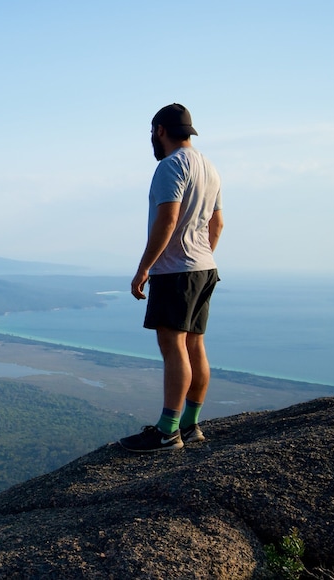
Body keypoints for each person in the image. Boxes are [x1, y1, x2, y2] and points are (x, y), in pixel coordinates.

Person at [119, 103, 224, 453]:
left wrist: (144, 267)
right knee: (195, 343)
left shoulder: (170, 166)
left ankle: (168, 431)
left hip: (176, 269)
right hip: (204, 267)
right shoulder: (210, 168)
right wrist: (202, 254)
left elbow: (167, 220)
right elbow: (217, 224)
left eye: (152, 132)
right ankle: (191, 425)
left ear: (160, 130)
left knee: (173, 346)